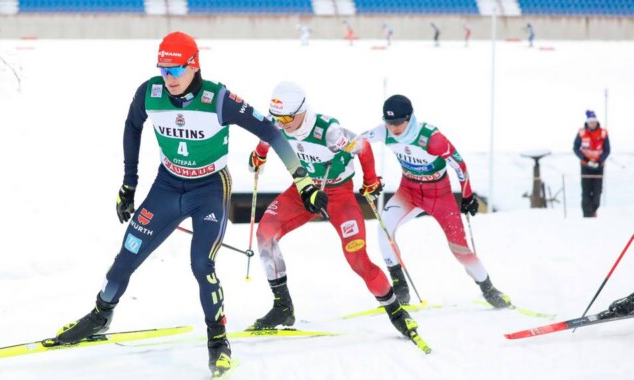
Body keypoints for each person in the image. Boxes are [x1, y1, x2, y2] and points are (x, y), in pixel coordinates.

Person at [54, 31, 328, 378]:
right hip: (167, 186)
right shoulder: (149, 93)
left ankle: (218, 341)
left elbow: (272, 133)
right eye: (162, 69)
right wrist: (128, 185)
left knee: (201, 263)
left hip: (209, 189)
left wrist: (303, 182)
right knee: (127, 255)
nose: (167, 78)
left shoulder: (219, 99)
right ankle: (100, 315)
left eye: (174, 70)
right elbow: (131, 126)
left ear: (193, 65)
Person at [246, 82, 422, 339]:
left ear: (302, 111)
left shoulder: (329, 132)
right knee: (265, 234)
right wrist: (258, 155)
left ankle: (396, 313)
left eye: (286, 117)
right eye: (277, 117)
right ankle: (283, 308)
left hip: (338, 195)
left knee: (357, 258)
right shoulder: (279, 124)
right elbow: (268, 136)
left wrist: (370, 181)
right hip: (303, 190)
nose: (281, 123)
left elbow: (362, 146)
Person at [361, 95, 511, 308]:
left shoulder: (431, 138)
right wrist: (336, 147)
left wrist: (467, 195)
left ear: (410, 118)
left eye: (398, 122)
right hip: (409, 191)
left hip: (439, 195)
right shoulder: (383, 131)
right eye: (389, 122)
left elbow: (460, 165)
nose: (393, 128)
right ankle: (400, 286)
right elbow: (356, 142)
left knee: (459, 248)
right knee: (384, 227)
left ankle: (488, 288)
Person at [573, 110, 610, 217]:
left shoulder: (603, 133)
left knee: (597, 191)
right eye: (590, 122)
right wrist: (585, 159)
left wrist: (600, 161)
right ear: (587, 122)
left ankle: (593, 210)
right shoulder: (581, 132)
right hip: (585, 166)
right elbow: (576, 148)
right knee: (586, 191)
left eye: (594, 121)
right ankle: (586, 214)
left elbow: (607, 149)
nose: (592, 123)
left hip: (599, 166)